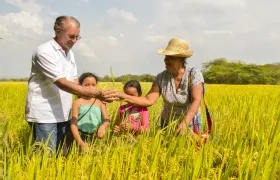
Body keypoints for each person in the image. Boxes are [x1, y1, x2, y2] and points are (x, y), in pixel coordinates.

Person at [25, 16, 118, 153]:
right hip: (44, 115)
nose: (74, 41)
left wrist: (96, 98)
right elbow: (62, 83)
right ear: (58, 31)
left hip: (64, 113)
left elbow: (75, 82)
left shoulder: (70, 54)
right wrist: (98, 94)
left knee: (63, 154)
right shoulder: (44, 51)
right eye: (71, 36)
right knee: (46, 157)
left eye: (77, 37)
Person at [117, 38, 204, 135]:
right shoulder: (161, 77)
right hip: (167, 123)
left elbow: (197, 100)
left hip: (189, 124)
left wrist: (184, 122)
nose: (166, 60)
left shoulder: (193, 74)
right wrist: (124, 96)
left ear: (182, 59)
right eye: (166, 57)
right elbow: (148, 100)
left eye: (171, 58)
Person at [71, 72, 110, 150]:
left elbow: (107, 120)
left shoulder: (100, 102)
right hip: (81, 136)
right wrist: (80, 143)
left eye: (93, 85)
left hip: (97, 136)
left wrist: (102, 127)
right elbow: (73, 125)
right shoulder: (77, 103)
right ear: (80, 86)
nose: (90, 88)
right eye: (86, 85)